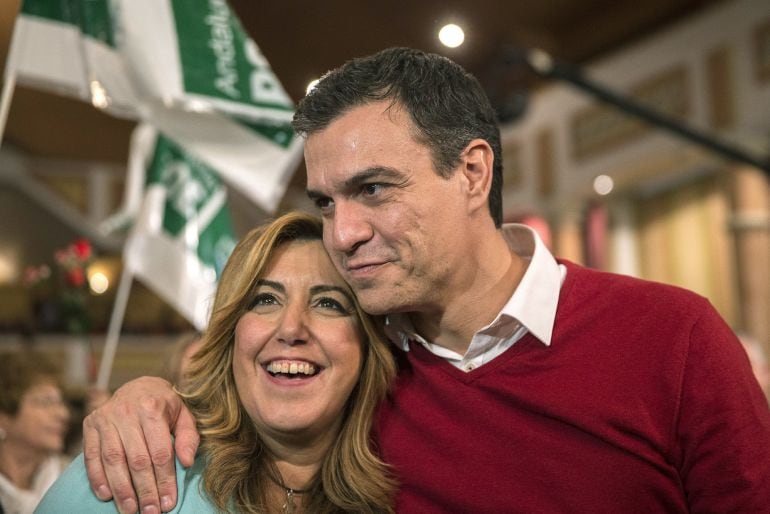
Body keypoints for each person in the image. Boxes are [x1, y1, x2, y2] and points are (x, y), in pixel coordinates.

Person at [81, 47, 770, 513]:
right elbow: (236, 425)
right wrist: (147, 398)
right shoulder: (347, 369)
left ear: (472, 172)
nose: (341, 232)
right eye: (325, 203)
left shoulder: (673, 338)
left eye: (373, 189)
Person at [36, 212, 397, 514]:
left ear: (368, 345)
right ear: (231, 335)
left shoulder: (402, 488)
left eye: (328, 303)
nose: (291, 328)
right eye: (265, 299)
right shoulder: (136, 467)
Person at [0, 351, 71, 514]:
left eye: (60, 402)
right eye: (46, 402)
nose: (63, 413)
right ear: (3, 416)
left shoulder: (75, 477)